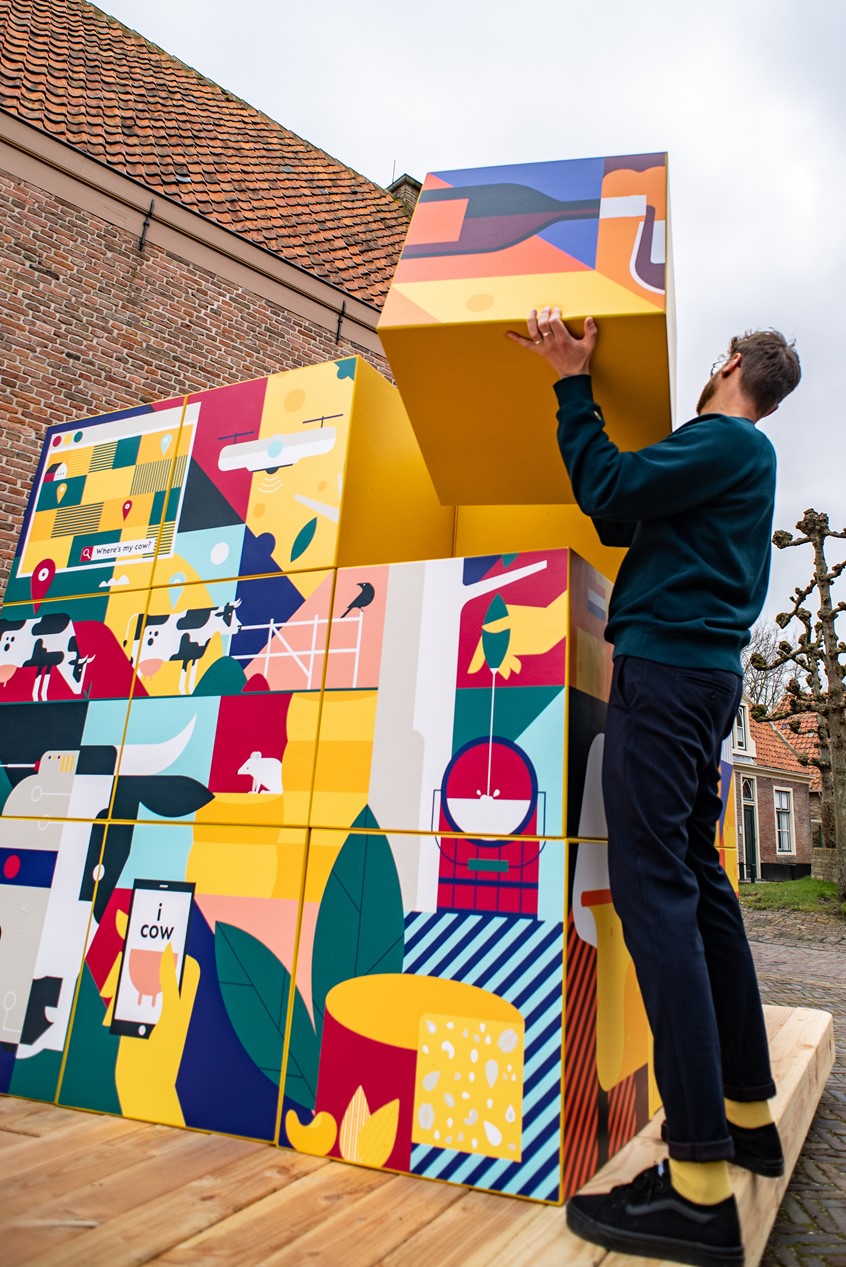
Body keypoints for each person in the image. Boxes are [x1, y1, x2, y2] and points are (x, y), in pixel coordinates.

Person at [508, 309, 801, 1267]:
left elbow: (608, 479)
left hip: (669, 678)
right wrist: (611, 456)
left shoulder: (725, 442)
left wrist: (568, 380)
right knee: (699, 886)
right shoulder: (727, 463)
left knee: (656, 896)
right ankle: (747, 1118)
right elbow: (618, 510)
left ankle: (697, 1185)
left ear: (727, 366)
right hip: (701, 684)